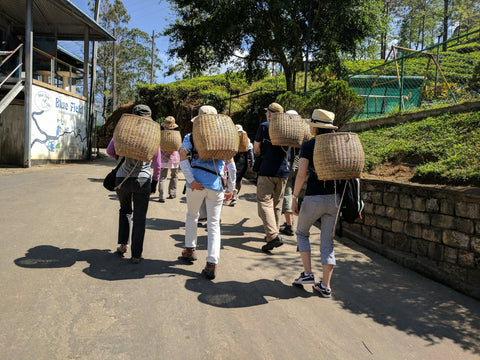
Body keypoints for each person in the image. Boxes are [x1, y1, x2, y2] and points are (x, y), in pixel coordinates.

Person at [178, 105, 236, 279]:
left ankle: (190, 250)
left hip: (196, 185)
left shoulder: (192, 136)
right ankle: (212, 263)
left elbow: (182, 153)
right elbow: (231, 165)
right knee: (213, 224)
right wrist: (231, 188)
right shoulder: (222, 139)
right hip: (216, 185)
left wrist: (191, 180)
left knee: (192, 216)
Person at [291, 109, 344, 298]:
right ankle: (325, 286)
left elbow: (301, 173)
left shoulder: (309, 145)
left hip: (314, 197)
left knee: (301, 232)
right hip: (335, 199)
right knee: (327, 242)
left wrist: (295, 197)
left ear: (315, 127)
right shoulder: (340, 144)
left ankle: (307, 274)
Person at [106, 104, 161, 264]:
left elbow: (110, 150)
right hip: (143, 180)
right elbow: (157, 163)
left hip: (122, 178)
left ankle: (123, 245)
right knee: (140, 217)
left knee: (124, 211)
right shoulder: (152, 135)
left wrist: (123, 161)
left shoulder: (124, 131)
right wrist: (155, 181)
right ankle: (136, 255)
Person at [253, 102, 290, 252]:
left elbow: (256, 148)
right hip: (283, 171)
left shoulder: (264, 126)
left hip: (267, 169)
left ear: (269, 113)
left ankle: (273, 236)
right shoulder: (288, 128)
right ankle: (271, 234)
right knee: (277, 204)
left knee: (264, 201)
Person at [279, 110, 300, 236]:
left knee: (287, 193)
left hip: (288, 165)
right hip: (299, 165)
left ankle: (289, 225)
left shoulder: (287, 130)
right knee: (292, 193)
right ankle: (290, 220)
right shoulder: (300, 130)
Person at [229, 124, 254, 206]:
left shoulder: (232, 138)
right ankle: (235, 196)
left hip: (232, 158)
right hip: (243, 160)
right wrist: (252, 163)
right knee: (238, 179)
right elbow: (250, 151)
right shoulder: (246, 139)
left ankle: (231, 195)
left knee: (231, 177)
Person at [158, 116, 181, 202]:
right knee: (174, 176)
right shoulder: (176, 135)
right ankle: (172, 193)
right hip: (174, 158)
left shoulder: (160, 134)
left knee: (163, 177)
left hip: (163, 158)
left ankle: (161, 195)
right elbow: (179, 146)